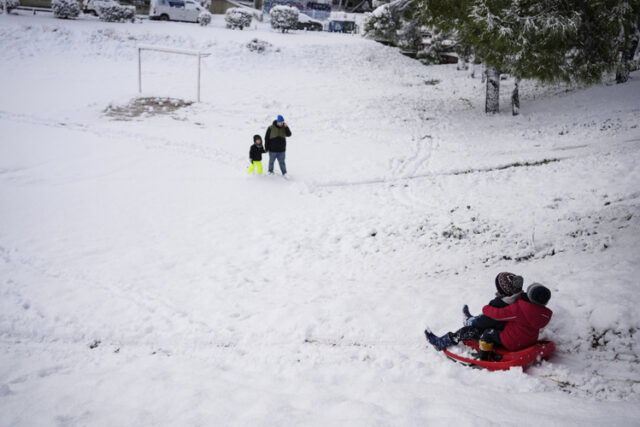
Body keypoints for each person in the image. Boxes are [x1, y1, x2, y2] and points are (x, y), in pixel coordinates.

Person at [425, 282, 552, 359]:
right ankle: (470, 320)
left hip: (512, 342)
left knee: (486, 333)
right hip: (529, 340)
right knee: (483, 325)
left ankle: (483, 356)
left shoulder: (520, 308)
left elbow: (497, 314)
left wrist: (486, 308)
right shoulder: (542, 313)